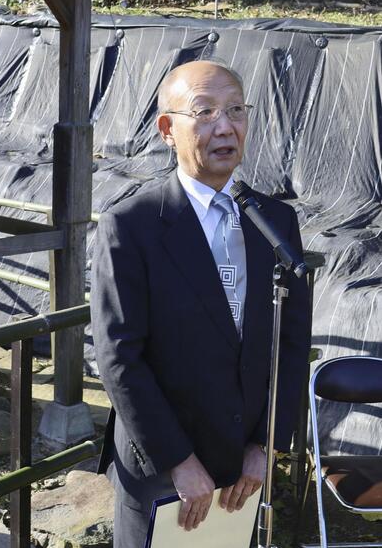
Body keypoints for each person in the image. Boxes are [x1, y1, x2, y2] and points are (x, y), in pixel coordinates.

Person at [91, 60, 311, 548]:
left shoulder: (274, 222)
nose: (225, 126)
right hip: (162, 471)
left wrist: (266, 445)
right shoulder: (132, 226)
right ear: (168, 129)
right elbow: (117, 356)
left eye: (235, 110)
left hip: (242, 466)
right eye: (205, 112)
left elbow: (291, 344)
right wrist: (178, 461)